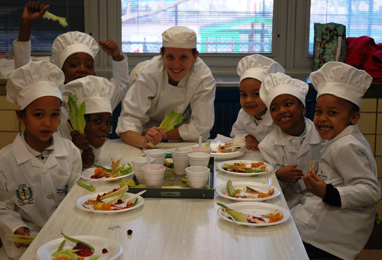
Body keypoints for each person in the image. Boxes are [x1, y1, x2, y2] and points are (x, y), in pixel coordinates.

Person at [292, 62, 381, 260]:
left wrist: (327, 192)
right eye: (318, 111)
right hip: (323, 233)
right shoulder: (338, 140)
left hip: (327, 243)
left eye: (332, 113)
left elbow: (371, 191)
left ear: (354, 117)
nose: (322, 118)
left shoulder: (346, 146)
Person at [0, 60, 82, 260]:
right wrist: (15, 227)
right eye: (38, 115)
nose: (48, 123)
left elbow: (75, 197)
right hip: (23, 246)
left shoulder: (70, 152)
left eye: (54, 115)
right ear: (21, 116)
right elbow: (3, 206)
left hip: (66, 239)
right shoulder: (5, 159)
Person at [13, 1, 128, 111]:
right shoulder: (52, 97)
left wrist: (117, 57)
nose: (82, 69)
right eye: (74, 65)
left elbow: (121, 85)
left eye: (89, 66)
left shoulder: (102, 97)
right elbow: (23, 72)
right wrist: (26, 24)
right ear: (61, 71)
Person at [116, 26, 216, 148]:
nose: (176, 65)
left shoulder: (203, 78)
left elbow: (200, 127)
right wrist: (144, 141)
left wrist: (161, 135)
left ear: (195, 57)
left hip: (181, 138)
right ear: (162, 54)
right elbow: (128, 122)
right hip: (145, 135)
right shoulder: (150, 74)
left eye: (183, 57)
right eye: (170, 57)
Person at [258, 73, 322, 209]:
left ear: (302, 108)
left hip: (320, 197)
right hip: (288, 200)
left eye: (288, 104)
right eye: (274, 109)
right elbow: (267, 185)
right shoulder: (267, 146)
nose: (281, 111)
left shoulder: (321, 135)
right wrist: (277, 175)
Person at [230, 54, 285, 150]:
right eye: (244, 95)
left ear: (268, 94)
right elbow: (237, 130)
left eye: (256, 94)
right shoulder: (243, 114)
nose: (248, 100)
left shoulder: (277, 117)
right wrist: (247, 137)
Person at [61, 75, 115, 169]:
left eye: (108, 122)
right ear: (78, 122)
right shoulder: (60, 138)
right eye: (97, 121)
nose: (105, 128)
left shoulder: (93, 139)